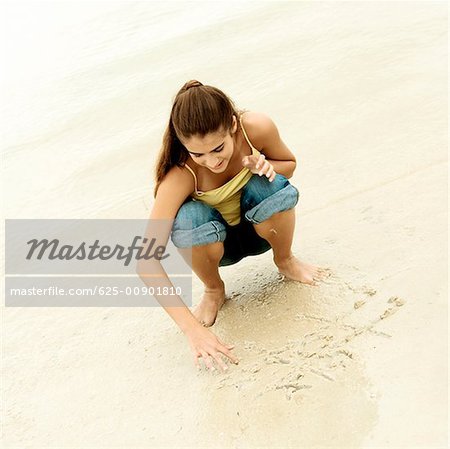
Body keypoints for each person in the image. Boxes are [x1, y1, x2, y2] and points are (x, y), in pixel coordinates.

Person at [140, 80, 329, 372]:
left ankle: (285, 260)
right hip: (217, 246)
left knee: (268, 185)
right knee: (188, 217)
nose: (211, 161)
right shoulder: (180, 175)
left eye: (218, 149)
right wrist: (193, 330)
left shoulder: (256, 127)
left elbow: (289, 164)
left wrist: (265, 167)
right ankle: (214, 289)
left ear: (231, 125)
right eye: (197, 154)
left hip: (263, 229)